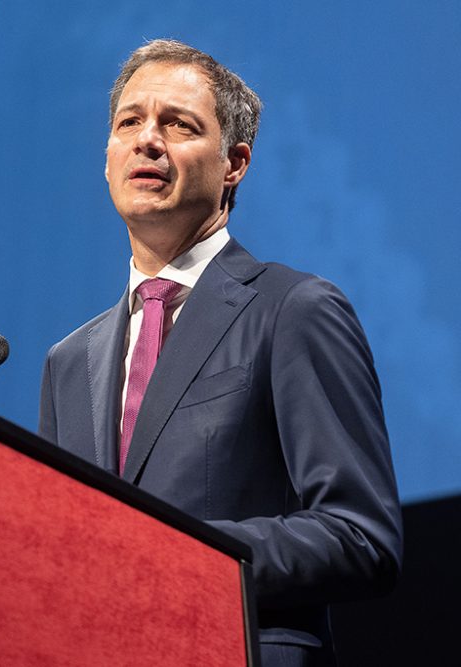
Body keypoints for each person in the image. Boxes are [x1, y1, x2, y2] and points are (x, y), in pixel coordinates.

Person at [38, 39, 402, 666]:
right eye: (129, 122)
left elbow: (359, 535)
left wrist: (172, 553)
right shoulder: (68, 363)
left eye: (177, 125)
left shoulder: (294, 310)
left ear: (235, 163)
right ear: (106, 159)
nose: (147, 140)